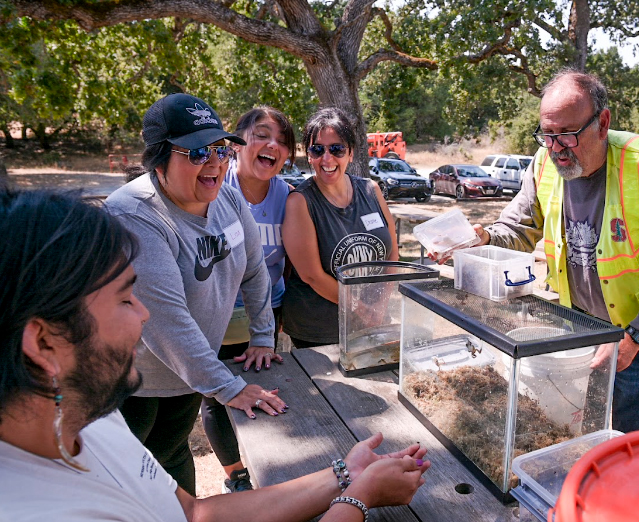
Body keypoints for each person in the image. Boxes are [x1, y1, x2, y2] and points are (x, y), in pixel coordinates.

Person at [0, 188, 429, 522]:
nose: (145, 314)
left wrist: (344, 475)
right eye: (125, 299)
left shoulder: (84, 418)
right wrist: (358, 499)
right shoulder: (36, 509)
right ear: (43, 344)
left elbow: (192, 513)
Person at [454, 70, 639, 433]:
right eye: (548, 134)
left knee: (631, 441)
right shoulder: (543, 163)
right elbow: (518, 230)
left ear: (602, 123)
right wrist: (483, 238)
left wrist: (637, 335)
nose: (556, 147)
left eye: (568, 135)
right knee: (574, 431)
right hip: (576, 327)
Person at [105, 93, 286, 495]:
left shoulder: (227, 197)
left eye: (221, 149)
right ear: (158, 158)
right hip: (129, 381)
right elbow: (167, 320)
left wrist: (261, 336)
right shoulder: (135, 215)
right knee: (124, 481)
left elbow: (255, 271)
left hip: (187, 375)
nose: (216, 163)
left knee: (170, 455)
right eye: (198, 152)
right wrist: (230, 388)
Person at [201, 106, 297, 492]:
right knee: (217, 397)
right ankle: (236, 475)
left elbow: (285, 262)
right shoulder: (213, 190)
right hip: (218, 316)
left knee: (261, 390)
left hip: (265, 315)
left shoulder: (288, 196)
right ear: (237, 142)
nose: (271, 144)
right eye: (260, 134)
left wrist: (271, 326)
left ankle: (266, 469)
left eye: (282, 140)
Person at [281, 107, 399, 348]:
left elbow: (392, 255)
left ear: (351, 154)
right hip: (319, 332)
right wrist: (361, 309)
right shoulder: (300, 202)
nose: (327, 158)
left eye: (336, 149)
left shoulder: (371, 190)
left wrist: (380, 305)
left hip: (372, 323)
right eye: (318, 150)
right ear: (309, 155)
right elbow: (311, 275)